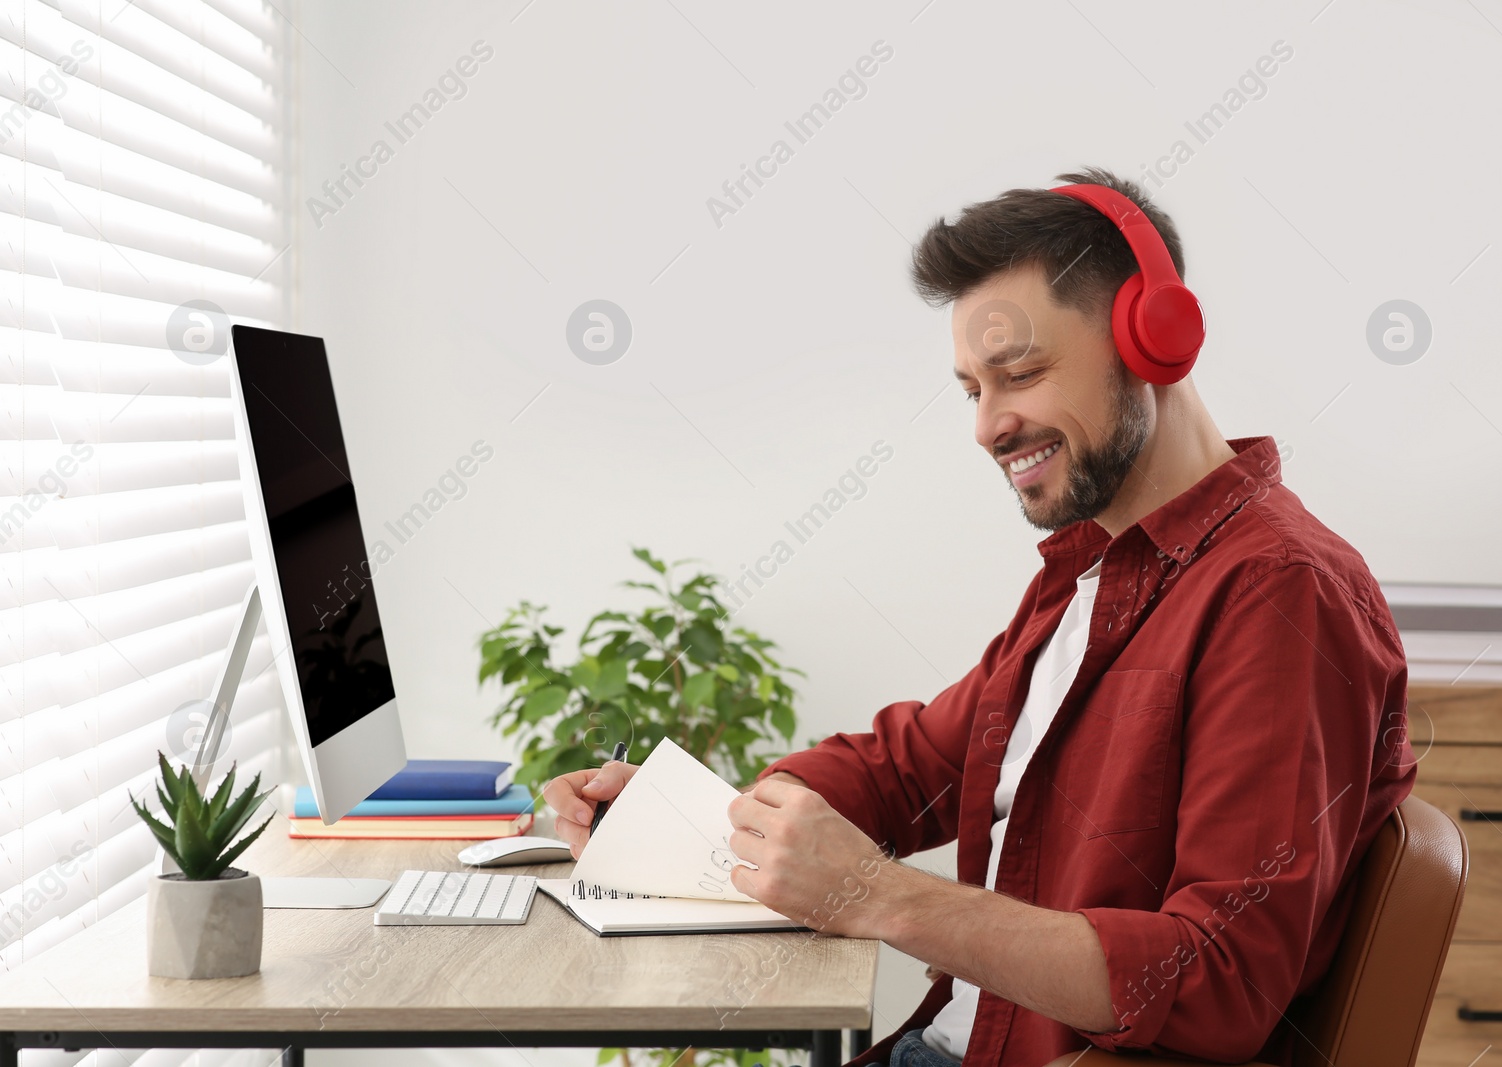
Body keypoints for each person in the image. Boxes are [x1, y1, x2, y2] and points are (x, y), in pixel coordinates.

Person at [545, 167, 1415, 1067]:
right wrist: (687, 819)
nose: (988, 425)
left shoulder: (1279, 593)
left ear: (1156, 342)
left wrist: (881, 896)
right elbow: (913, 764)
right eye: (972, 389)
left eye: (1021, 374)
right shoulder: (1090, 571)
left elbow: (1218, 979)